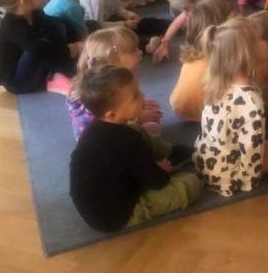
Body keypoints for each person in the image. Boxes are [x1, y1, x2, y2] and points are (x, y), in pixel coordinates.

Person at [69, 65, 202, 232]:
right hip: (114, 215)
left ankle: (168, 153)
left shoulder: (99, 126)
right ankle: (171, 161)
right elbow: (157, 183)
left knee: (136, 128)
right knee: (191, 185)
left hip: (105, 192)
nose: (143, 97)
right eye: (135, 97)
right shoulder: (126, 140)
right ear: (112, 114)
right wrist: (162, 171)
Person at [193, 18, 268, 197]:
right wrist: (249, 181)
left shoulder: (215, 84)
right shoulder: (251, 100)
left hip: (206, 164)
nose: (265, 42)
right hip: (230, 177)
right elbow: (251, 148)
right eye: (259, 39)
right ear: (246, 54)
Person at [0, 0, 81, 94]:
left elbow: (56, 24)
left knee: (55, 26)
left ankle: (64, 69)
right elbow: (39, 50)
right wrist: (70, 50)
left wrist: (78, 40)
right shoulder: (12, 26)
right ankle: (66, 72)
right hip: (17, 81)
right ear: (24, 1)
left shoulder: (34, 13)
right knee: (37, 49)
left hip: (32, 65)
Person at [71, 27, 164, 140]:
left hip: (113, 117)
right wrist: (138, 117)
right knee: (152, 127)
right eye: (133, 50)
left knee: (151, 105)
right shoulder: (101, 89)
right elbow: (110, 120)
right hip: (105, 136)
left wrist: (141, 106)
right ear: (113, 59)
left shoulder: (112, 79)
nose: (140, 52)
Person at [169, 0, 236, 121]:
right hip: (199, 113)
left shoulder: (196, 50)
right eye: (234, 20)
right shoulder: (220, 57)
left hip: (179, 105)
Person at [149, 0, 227, 64]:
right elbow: (176, 23)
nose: (225, 0)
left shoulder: (221, 9)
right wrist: (165, 43)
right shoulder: (192, 14)